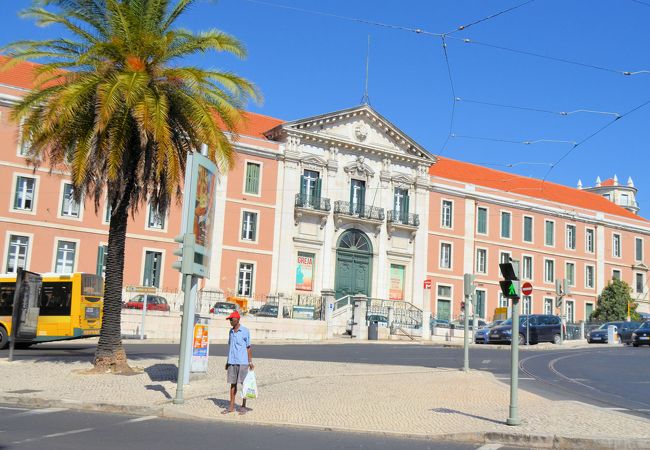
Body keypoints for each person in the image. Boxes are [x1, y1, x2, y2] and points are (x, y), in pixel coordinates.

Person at [223, 310, 254, 415]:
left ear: (237, 319)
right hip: (232, 361)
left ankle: (243, 405)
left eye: (232, 319)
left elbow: (248, 347)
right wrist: (227, 361)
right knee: (232, 384)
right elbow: (230, 347)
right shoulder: (230, 332)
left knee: (244, 384)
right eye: (229, 319)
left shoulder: (245, 331)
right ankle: (231, 406)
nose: (230, 321)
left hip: (243, 362)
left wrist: (250, 362)